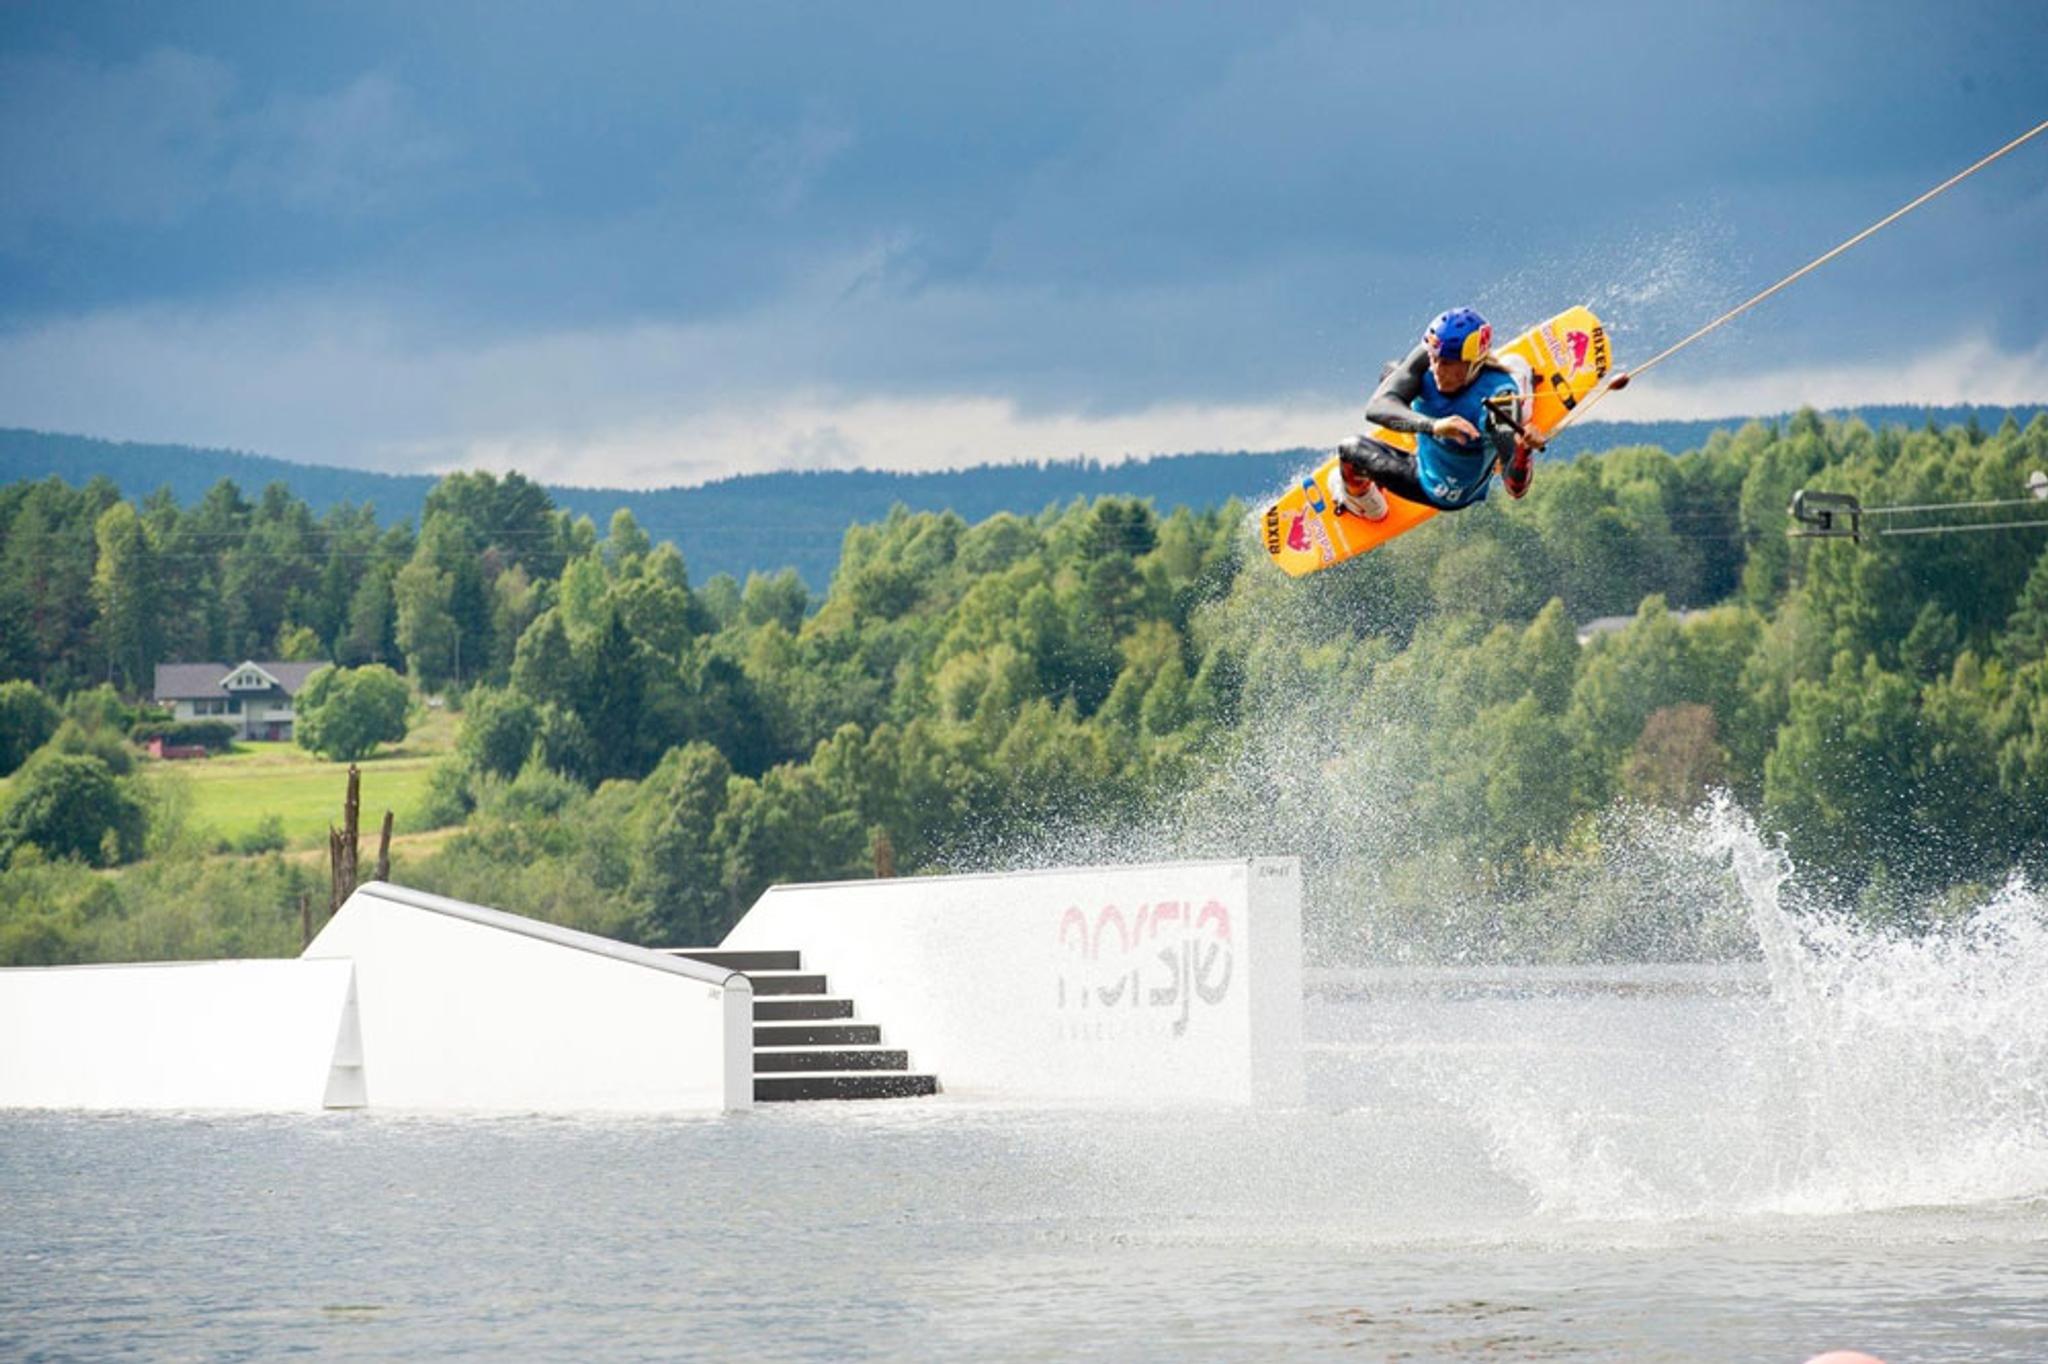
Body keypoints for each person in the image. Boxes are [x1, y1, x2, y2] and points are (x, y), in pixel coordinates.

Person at [1327, 307, 1538, 521]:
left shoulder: (1500, 404)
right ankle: (1521, 398)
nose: (1436, 368)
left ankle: (1367, 506)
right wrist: (1434, 426)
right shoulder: (1430, 358)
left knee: (1350, 449)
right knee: (1392, 374)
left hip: (1442, 485)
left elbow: (1515, 489)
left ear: (1472, 364)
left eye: (1446, 363)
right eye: (1433, 358)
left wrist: (1523, 452)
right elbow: (1377, 407)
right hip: (1435, 432)